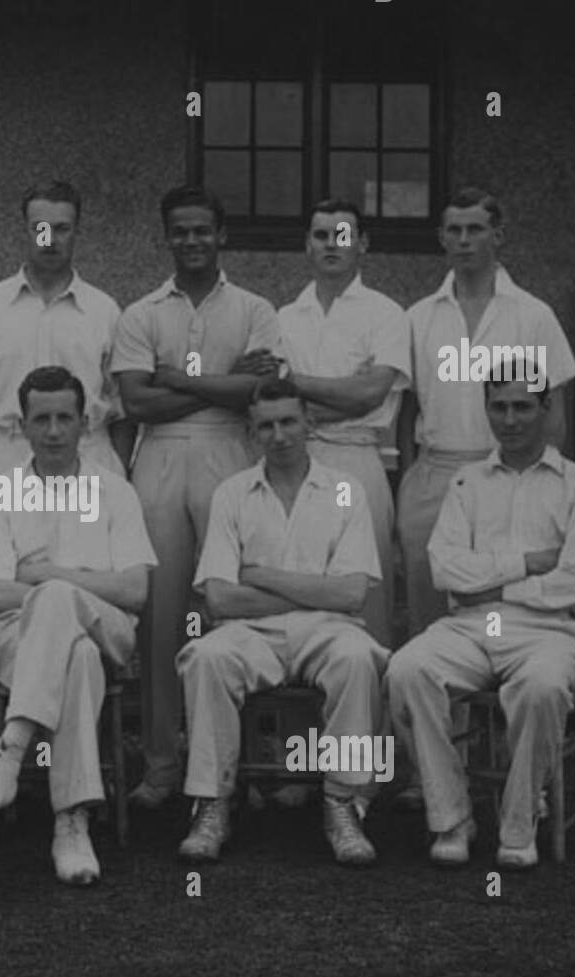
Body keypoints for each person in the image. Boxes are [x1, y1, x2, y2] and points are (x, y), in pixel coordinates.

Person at [386, 376, 575, 870]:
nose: (509, 420)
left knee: (544, 687)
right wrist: (528, 563)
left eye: (522, 407)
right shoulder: (466, 482)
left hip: (548, 632)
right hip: (471, 626)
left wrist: (490, 583)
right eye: (499, 407)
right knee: (406, 669)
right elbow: (445, 569)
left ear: (547, 409)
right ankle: (451, 817)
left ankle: (520, 823)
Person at [0, 367, 156, 885]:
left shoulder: (115, 491)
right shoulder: (1, 491)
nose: (55, 430)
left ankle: (9, 755)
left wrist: (47, 575)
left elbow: (135, 592)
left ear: (86, 422)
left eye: (66, 417)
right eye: (42, 419)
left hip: (110, 631)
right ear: (22, 425)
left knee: (64, 602)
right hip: (15, 636)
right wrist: (85, 582)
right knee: (76, 655)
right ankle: (72, 822)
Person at [111, 184, 282, 809]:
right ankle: (161, 764)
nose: (191, 241)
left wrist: (180, 378)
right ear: (166, 237)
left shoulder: (257, 309)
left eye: (201, 230)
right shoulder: (142, 312)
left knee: (232, 612)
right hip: (157, 457)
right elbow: (137, 402)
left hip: (231, 457)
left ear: (222, 235)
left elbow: (260, 394)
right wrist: (223, 383)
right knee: (161, 619)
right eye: (179, 231)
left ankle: (237, 767)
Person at [174, 380, 386, 865]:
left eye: (289, 421)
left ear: (308, 423)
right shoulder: (232, 494)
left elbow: (352, 593)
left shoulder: (344, 491)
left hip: (330, 631)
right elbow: (220, 599)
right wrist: (313, 590)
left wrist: (263, 576)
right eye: (266, 426)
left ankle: (342, 803)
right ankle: (213, 803)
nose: (279, 435)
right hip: (251, 635)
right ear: (252, 434)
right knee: (205, 655)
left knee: (358, 658)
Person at [397, 187, 575, 638]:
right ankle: (434, 708)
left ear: (498, 235)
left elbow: (555, 414)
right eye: (454, 230)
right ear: (441, 237)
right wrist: (409, 479)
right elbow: (406, 411)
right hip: (434, 473)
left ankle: (498, 705)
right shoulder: (418, 318)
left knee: (498, 609)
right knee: (428, 612)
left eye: (475, 229)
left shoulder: (534, 315)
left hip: (508, 475)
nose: (464, 240)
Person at [257, 199, 410, 649]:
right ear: (307, 244)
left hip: (357, 460)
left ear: (362, 243)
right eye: (321, 235)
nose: (331, 244)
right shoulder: (282, 317)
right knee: (296, 581)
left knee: (365, 589)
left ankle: (368, 712)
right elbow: (269, 400)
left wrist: (294, 383)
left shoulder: (386, 314)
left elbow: (370, 394)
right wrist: (331, 394)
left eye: (342, 235)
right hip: (293, 463)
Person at [0, 180, 131, 496]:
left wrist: (115, 467)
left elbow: (121, 405)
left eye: (61, 229)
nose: (50, 240)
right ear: (25, 230)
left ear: (77, 232)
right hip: (6, 456)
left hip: (88, 458)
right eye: (40, 229)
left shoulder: (104, 311)